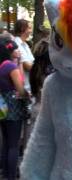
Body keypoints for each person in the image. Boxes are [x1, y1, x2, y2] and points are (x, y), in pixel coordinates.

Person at [0, 37, 28, 180]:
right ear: (10, 51)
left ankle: (5, 173)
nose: (19, 51)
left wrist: (20, 63)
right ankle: (11, 175)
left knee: (5, 142)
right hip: (13, 110)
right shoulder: (11, 67)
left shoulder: (2, 65)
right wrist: (26, 95)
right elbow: (20, 89)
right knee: (13, 145)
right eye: (16, 48)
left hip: (3, 110)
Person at [14, 19, 34, 92]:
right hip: (22, 87)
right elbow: (27, 66)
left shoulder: (25, 44)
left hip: (28, 85)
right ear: (23, 29)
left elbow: (31, 62)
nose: (31, 31)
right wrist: (41, 66)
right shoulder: (16, 43)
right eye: (29, 28)